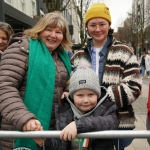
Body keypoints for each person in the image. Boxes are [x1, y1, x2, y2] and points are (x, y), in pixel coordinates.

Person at [70, 3, 142, 150]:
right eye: (92, 25)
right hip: (83, 121)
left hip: (119, 121)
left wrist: (97, 97)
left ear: (109, 25)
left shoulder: (124, 52)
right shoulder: (78, 56)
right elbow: (70, 85)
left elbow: (134, 87)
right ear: (87, 27)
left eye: (102, 24)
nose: (97, 29)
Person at [0, 11, 72, 150]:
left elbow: (65, 83)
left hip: (50, 133)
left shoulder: (62, 56)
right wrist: (25, 119)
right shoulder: (21, 49)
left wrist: (69, 91)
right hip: (19, 131)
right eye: (49, 30)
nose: (53, 35)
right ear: (39, 30)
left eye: (58, 32)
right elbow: (5, 87)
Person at [34, 67, 119, 150]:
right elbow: (58, 145)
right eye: (80, 95)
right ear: (72, 96)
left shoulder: (107, 108)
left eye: (90, 95)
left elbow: (111, 123)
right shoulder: (64, 112)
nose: (85, 100)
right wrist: (43, 142)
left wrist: (78, 125)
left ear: (97, 94)